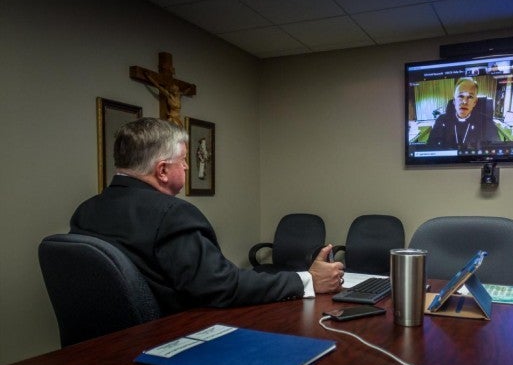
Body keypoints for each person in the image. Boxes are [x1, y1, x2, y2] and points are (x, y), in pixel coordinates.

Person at [70, 117, 344, 315]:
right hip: (172, 345)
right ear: (163, 170)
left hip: (105, 351)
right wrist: (307, 279)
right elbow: (221, 286)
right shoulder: (171, 215)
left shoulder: (86, 211)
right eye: (184, 160)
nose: (188, 167)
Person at [427, 77, 499, 151]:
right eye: (461, 96)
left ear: (475, 102)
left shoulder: (487, 122)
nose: (464, 102)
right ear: (454, 101)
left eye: (470, 97)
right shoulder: (441, 121)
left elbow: (495, 150)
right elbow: (430, 149)